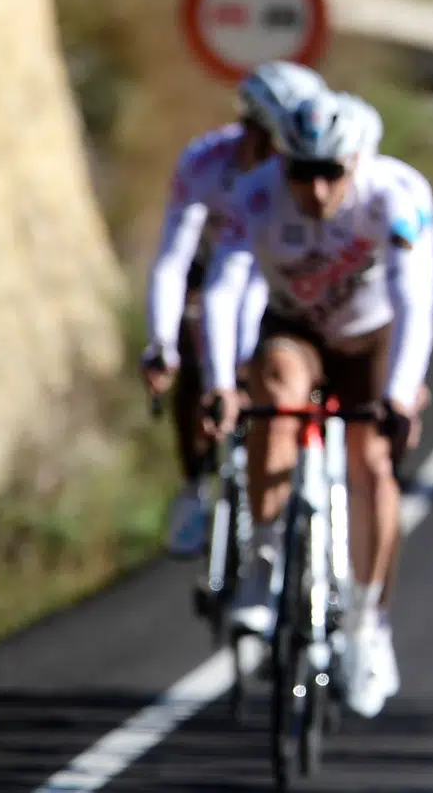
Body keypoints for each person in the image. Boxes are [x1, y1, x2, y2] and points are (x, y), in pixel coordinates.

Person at [201, 90, 433, 719]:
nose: (316, 189)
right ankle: (266, 558)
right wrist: (222, 382)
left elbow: (416, 301)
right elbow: (223, 291)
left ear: (358, 163)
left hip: (372, 336)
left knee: (373, 465)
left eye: (331, 172)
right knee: (273, 390)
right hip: (296, 329)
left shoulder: (396, 197)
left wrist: (399, 395)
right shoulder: (255, 194)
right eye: (301, 171)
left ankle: (367, 620)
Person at [141, 61, 326, 557]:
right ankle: (196, 484)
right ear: (249, 128)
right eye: (273, 137)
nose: (285, 152)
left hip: (275, 277)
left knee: (272, 361)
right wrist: (161, 344)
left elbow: (257, 281)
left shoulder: (293, 176)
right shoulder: (205, 162)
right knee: (192, 331)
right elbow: (171, 260)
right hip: (211, 270)